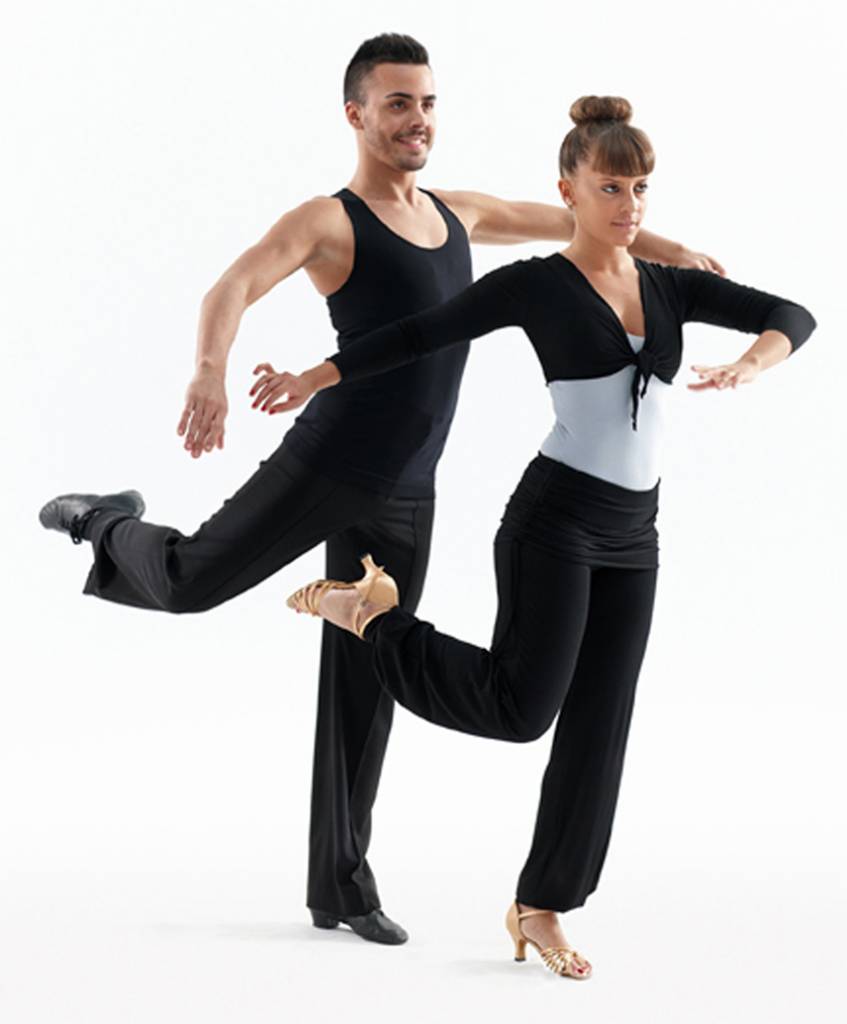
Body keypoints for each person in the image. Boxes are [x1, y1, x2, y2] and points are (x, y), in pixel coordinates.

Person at [38, 34, 720, 948]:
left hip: (409, 488)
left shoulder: (455, 212)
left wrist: (671, 252)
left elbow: (563, 222)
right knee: (192, 580)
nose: (417, 119)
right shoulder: (330, 220)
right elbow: (234, 283)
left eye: (427, 102)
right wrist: (209, 371)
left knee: (366, 666)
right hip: (328, 465)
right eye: (397, 103)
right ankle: (103, 519)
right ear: (355, 114)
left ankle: (341, 885)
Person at [266, 95, 816, 978]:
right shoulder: (537, 285)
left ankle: (541, 906)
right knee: (519, 711)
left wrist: (752, 361)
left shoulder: (668, 285)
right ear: (568, 191)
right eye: (610, 187)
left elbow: (791, 313)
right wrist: (315, 375)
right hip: (553, 522)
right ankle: (370, 618)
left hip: (634, 533)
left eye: (639, 188)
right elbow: (419, 332)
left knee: (599, 727)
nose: (628, 205)